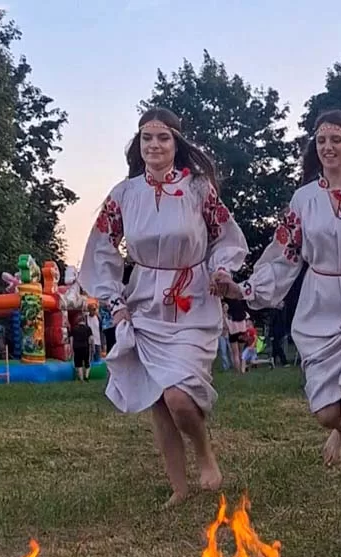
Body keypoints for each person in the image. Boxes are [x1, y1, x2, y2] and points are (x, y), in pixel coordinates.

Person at [216, 109, 341, 509]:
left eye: (336, 140)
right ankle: (338, 430)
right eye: (322, 141)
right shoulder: (304, 199)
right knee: (328, 412)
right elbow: (284, 256)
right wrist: (243, 289)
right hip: (319, 304)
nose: (328, 147)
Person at [79, 107, 247, 506]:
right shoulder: (124, 194)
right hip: (145, 302)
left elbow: (226, 236)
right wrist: (116, 302)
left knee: (178, 396)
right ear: (138, 144)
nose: (154, 145)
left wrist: (221, 271)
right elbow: (101, 250)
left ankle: (204, 453)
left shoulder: (198, 189)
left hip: (193, 300)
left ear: (176, 143)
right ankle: (178, 487)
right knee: (158, 399)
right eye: (147, 138)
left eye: (163, 138)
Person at [225, 298, 248, 374]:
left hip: (233, 329)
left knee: (235, 353)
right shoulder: (241, 303)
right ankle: (243, 369)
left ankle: (237, 371)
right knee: (242, 351)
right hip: (242, 329)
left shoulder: (228, 302)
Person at [70, 314, 93, 381]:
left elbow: (71, 339)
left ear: (78, 321)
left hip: (77, 347)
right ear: (84, 321)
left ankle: (81, 378)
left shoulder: (74, 329)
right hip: (85, 347)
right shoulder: (88, 328)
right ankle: (86, 376)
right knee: (87, 362)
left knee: (78, 363)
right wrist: (92, 346)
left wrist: (71, 348)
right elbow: (91, 339)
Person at [217, 302, 232, 370]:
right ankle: (226, 366)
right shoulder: (219, 316)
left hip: (228, 334)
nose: (226, 308)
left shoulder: (229, 316)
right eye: (225, 307)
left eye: (227, 307)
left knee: (231, 350)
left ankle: (232, 364)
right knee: (223, 351)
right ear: (222, 308)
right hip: (221, 335)